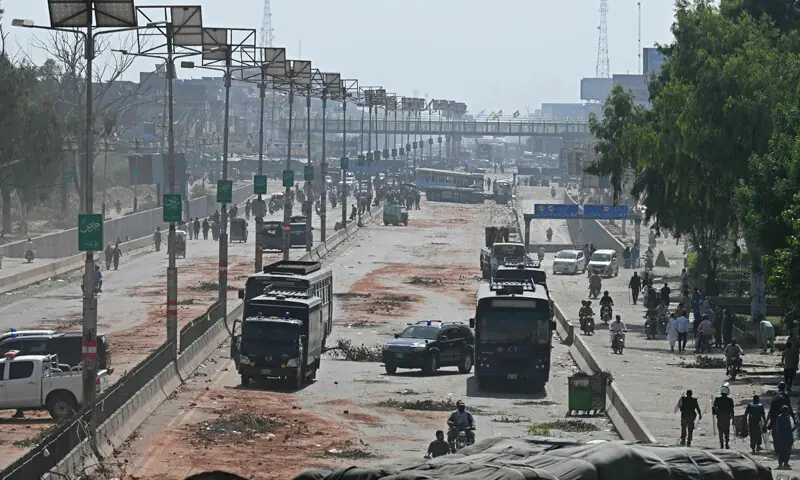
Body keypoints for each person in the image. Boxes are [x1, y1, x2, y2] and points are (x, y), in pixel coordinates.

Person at [712, 384, 735, 449]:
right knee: (726, 431)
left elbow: (714, 409)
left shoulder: (717, 399)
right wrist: (733, 419)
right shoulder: (730, 400)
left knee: (720, 430)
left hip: (720, 417)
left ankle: (721, 444)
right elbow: (732, 411)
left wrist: (714, 410)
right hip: (727, 418)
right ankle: (726, 444)